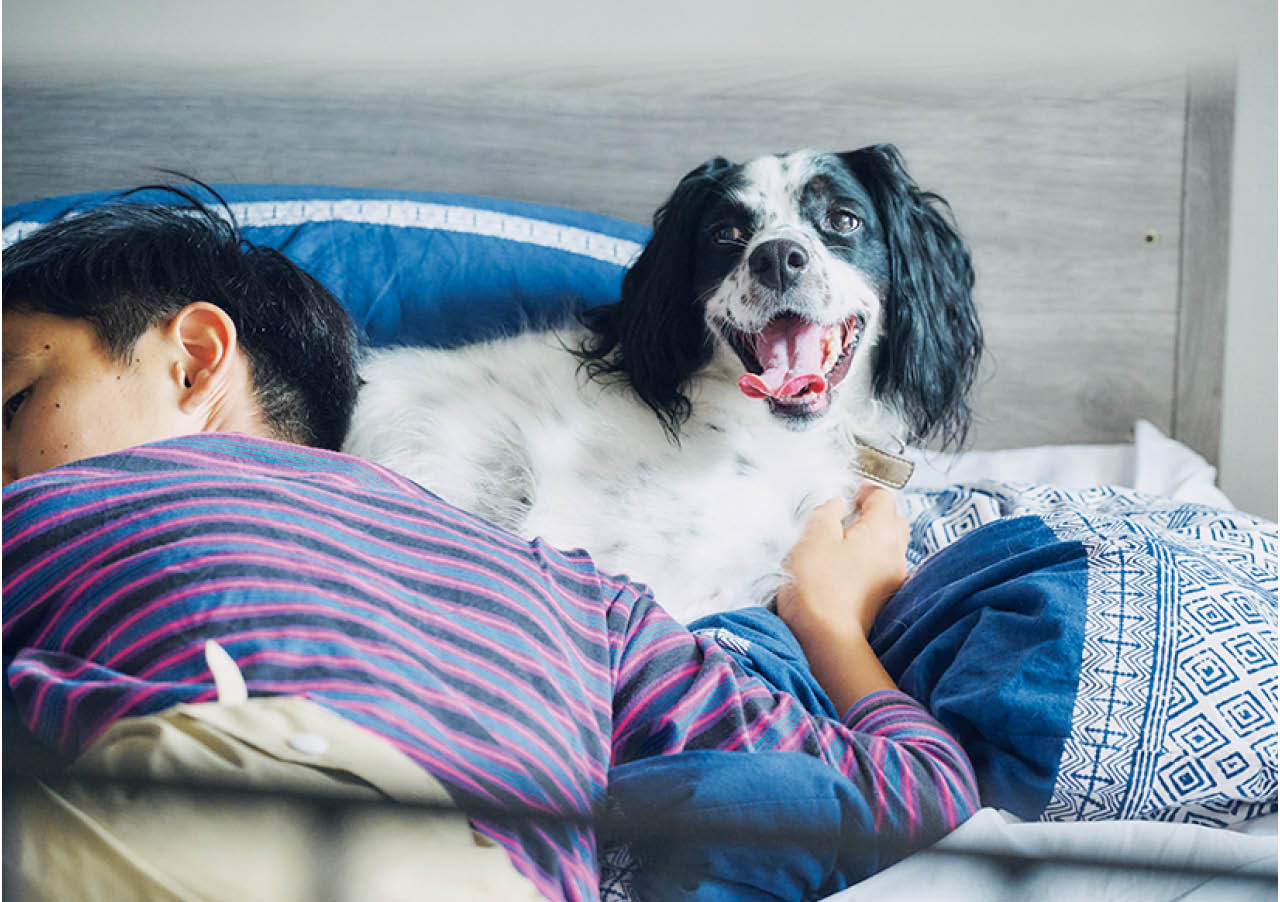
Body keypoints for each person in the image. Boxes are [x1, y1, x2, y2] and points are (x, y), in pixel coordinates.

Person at [2, 192, 978, 901]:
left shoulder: (62, 500)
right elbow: (913, 794)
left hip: (201, 817)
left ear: (194, 360)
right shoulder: (584, 602)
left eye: (13, 401)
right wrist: (837, 627)